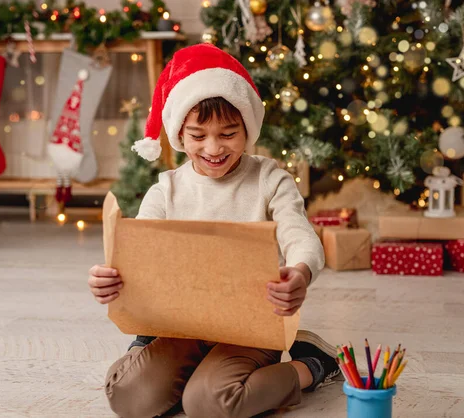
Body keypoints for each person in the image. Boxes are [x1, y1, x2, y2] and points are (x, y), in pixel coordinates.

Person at [88, 43, 339, 418]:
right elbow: (136, 248)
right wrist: (109, 278)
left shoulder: (269, 179)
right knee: (126, 397)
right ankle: (157, 355)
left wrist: (300, 271)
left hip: (249, 324)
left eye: (228, 133)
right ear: (179, 135)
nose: (214, 148)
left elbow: (299, 234)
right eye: (197, 135)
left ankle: (313, 365)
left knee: (209, 404)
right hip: (180, 325)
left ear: (247, 129)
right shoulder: (167, 189)